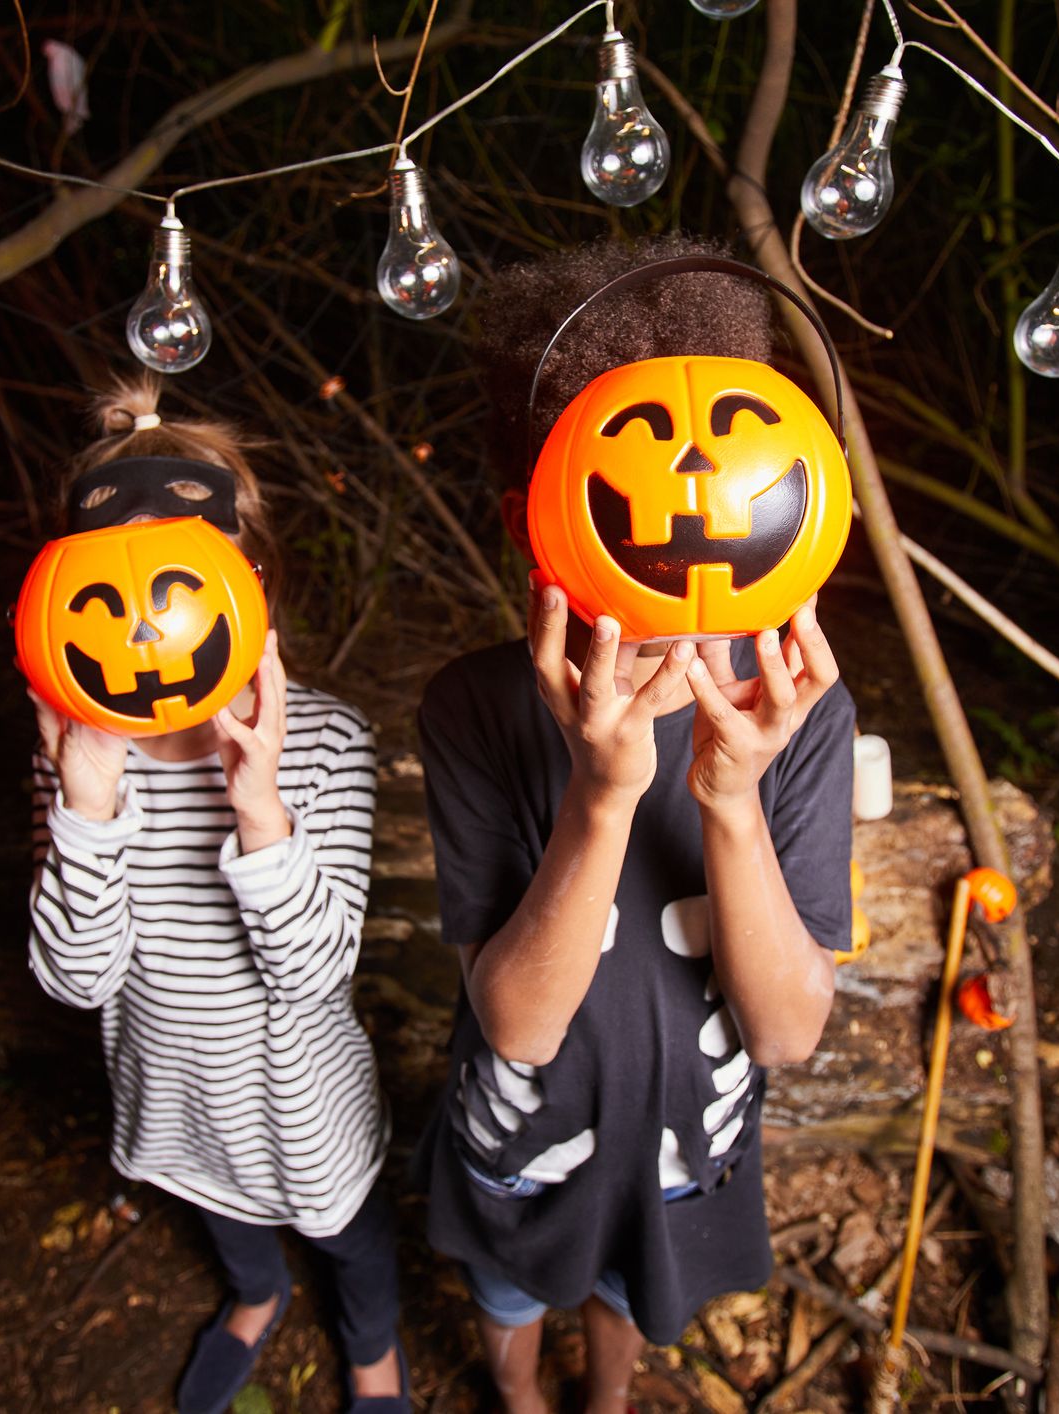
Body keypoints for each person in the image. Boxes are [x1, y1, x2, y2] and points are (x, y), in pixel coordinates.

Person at [415, 235, 856, 1414]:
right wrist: (603, 793)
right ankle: (517, 1398)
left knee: (625, 1296)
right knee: (508, 1297)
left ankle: (604, 1401)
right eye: (641, 506)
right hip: (524, 1131)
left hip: (682, 1143)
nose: (695, 548)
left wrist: (730, 797)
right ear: (537, 520)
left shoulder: (799, 712)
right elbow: (513, 1019)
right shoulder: (472, 708)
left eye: (732, 497)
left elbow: (788, 1032)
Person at [26, 377, 407, 1414]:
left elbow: (315, 968)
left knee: (353, 1240)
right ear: (68, 594)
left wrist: (259, 805)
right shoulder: (78, 753)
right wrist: (88, 800)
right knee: (223, 1219)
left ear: (249, 582)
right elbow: (74, 975)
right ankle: (254, 1295)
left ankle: (372, 1352)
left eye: (180, 577)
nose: (148, 616)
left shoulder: (323, 742)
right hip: (172, 1087)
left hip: (298, 1103)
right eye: (116, 584)